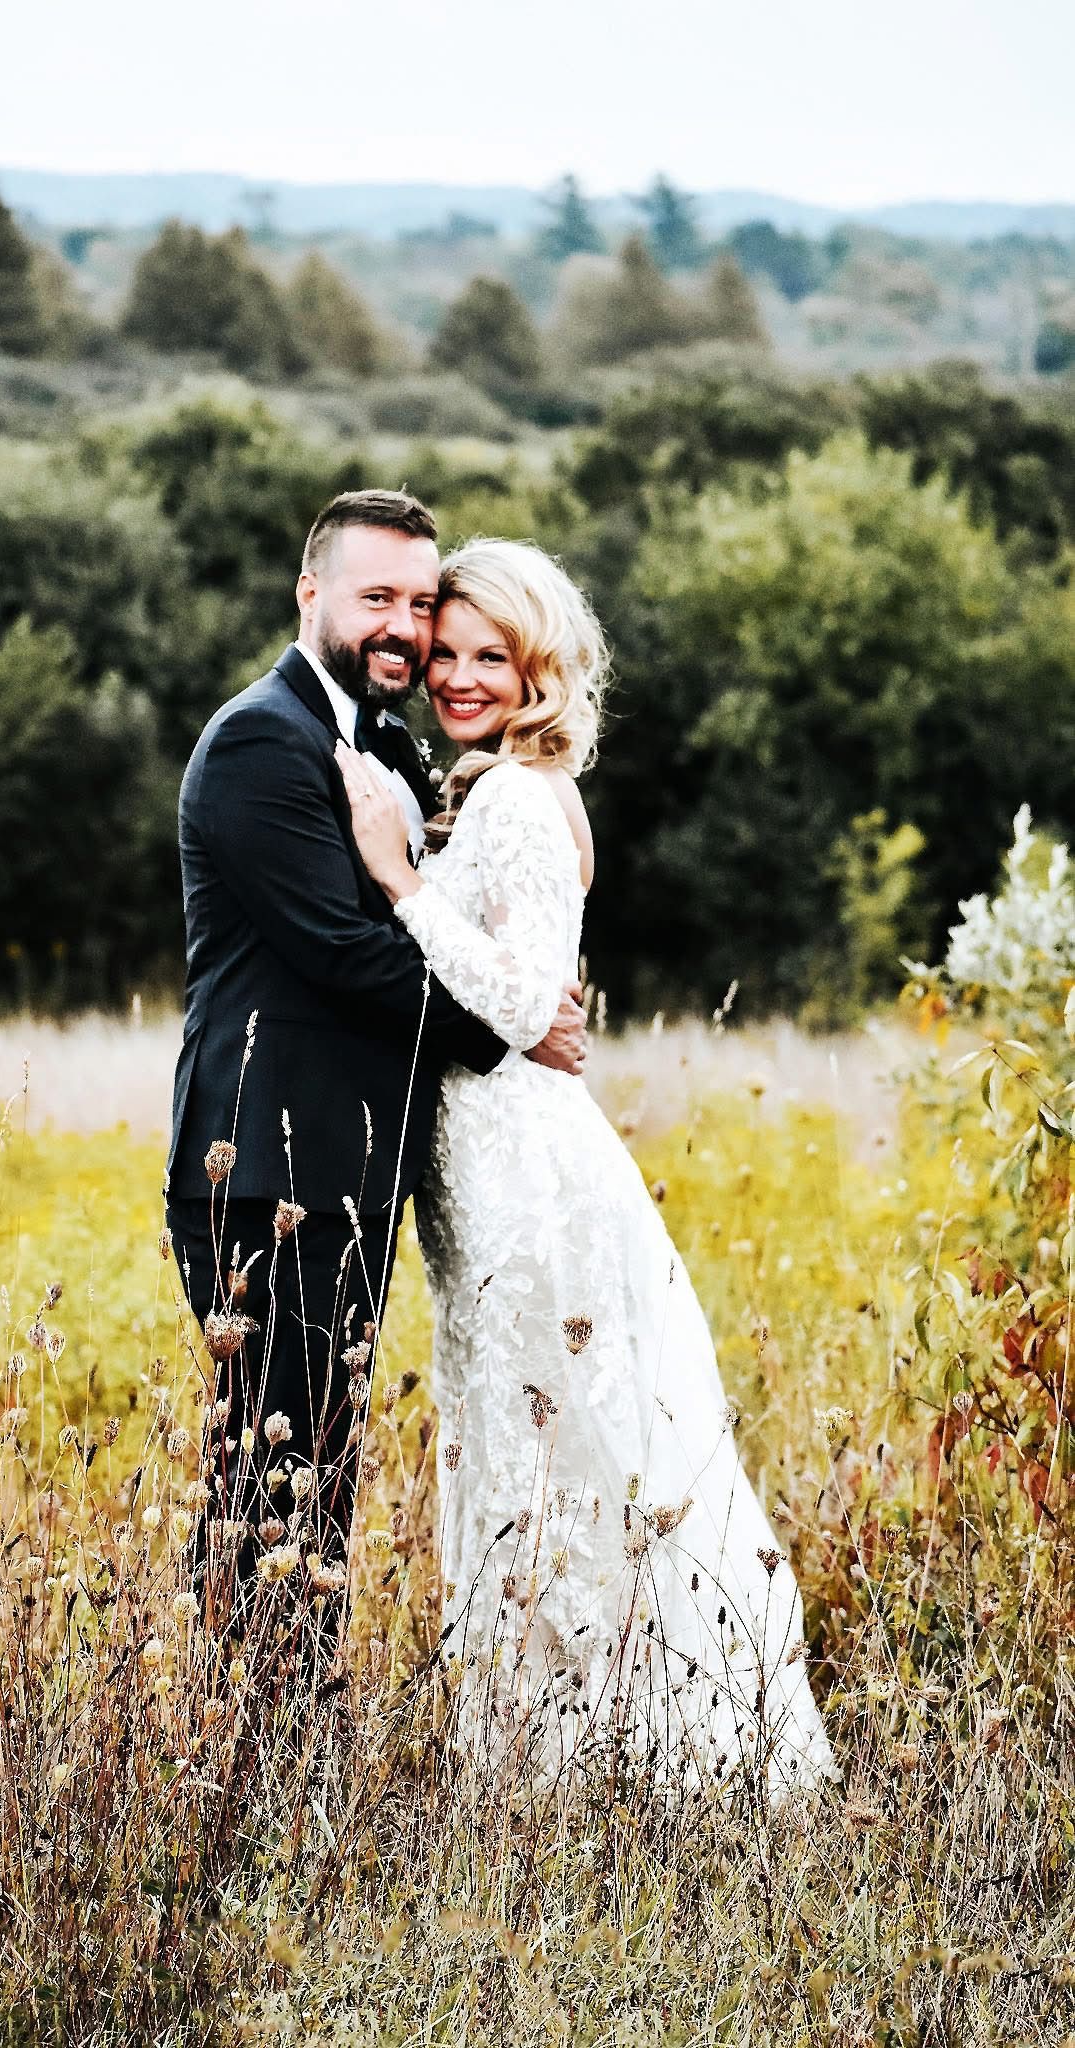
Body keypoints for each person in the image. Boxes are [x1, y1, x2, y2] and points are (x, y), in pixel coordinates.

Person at [334, 536, 841, 1801]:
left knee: (557, 1447)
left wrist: (395, 875)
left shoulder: (510, 796)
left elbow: (513, 999)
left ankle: (596, 1755)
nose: (453, 676)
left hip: (524, 1180)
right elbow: (534, 984)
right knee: (537, 1445)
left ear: (537, 664)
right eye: (443, 653)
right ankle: (563, 1744)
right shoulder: (512, 787)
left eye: (485, 656)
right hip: (502, 1165)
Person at [164, 492, 585, 1637]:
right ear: (312, 594)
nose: (404, 626)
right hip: (263, 1166)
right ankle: (264, 1742)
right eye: (377, 598)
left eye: (419, 601)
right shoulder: (262, 739)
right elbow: (346, 954)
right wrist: (508, 1018)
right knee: (274, 1460)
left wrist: (507, 982)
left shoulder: (389, 740)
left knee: (316, 1459)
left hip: (351, 1166)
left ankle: (284, 1728)